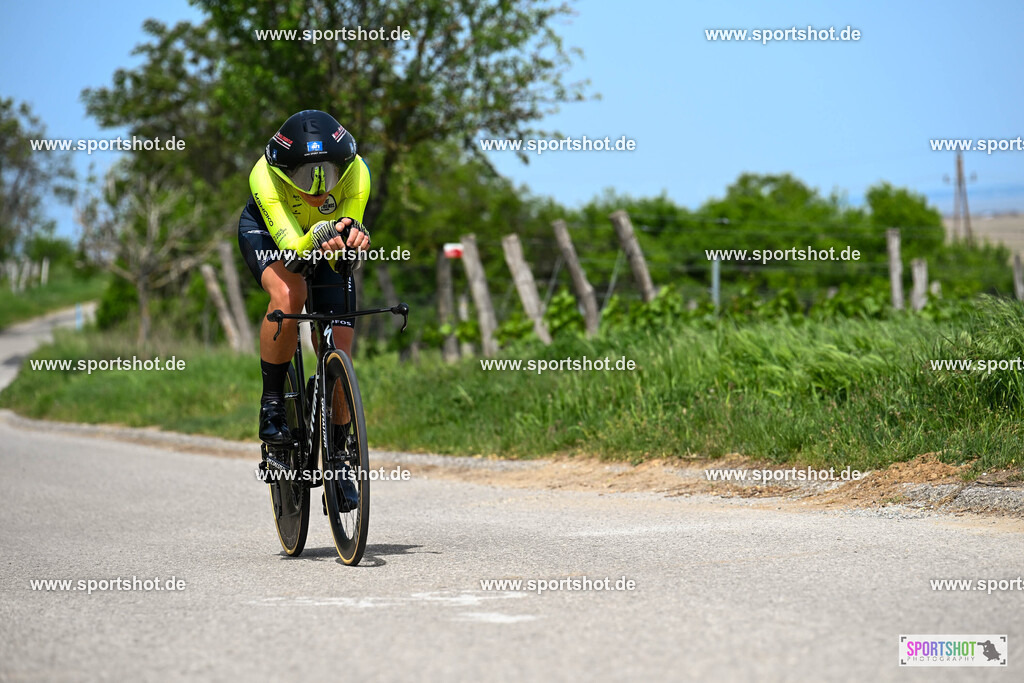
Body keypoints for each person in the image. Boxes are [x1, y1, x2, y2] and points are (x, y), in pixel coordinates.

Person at [237, 109, 370, 509]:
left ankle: (341, 458)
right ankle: (273, 403)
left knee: (339, 346)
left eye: (329, 174)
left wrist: (352, 240)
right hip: (270, 234)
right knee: (289, 297)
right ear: (282, 172)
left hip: (320, 238)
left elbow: (349, 230)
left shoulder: (359, 172)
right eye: (303, 178)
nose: (317, 188)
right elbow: (294, 250)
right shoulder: (263, 175)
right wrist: (324, 232)